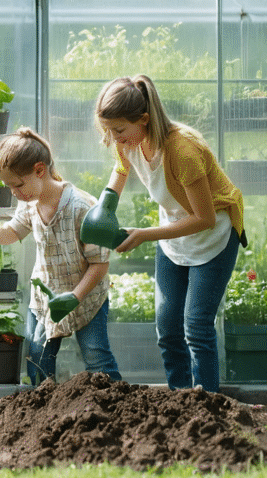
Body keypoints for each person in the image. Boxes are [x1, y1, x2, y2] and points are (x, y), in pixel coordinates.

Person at [95, 75, 246, 393]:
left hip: (212, 237)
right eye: (108, 130)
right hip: (174, 235)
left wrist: (143, 234)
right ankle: (179, 399)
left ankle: (205, 404)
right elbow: (121, 169)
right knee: (167, 328)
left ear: (143, 119)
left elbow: (204, 218)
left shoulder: (183, 150)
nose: (113, 138)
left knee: (197, 327)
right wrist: (104, 207)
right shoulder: (129, 142)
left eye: (118, 130)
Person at [0, 128, 121, 385]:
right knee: (37, 359)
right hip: (46, 297)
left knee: (96, 355)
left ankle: (117, 403)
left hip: (87, 296)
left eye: (18, 184)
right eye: (9, 186)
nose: (14, 192)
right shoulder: (29, 202)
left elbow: (100, 264)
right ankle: (44, 407)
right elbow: (9, 233)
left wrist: (75, 297)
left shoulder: (81, 207)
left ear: (40, 170)